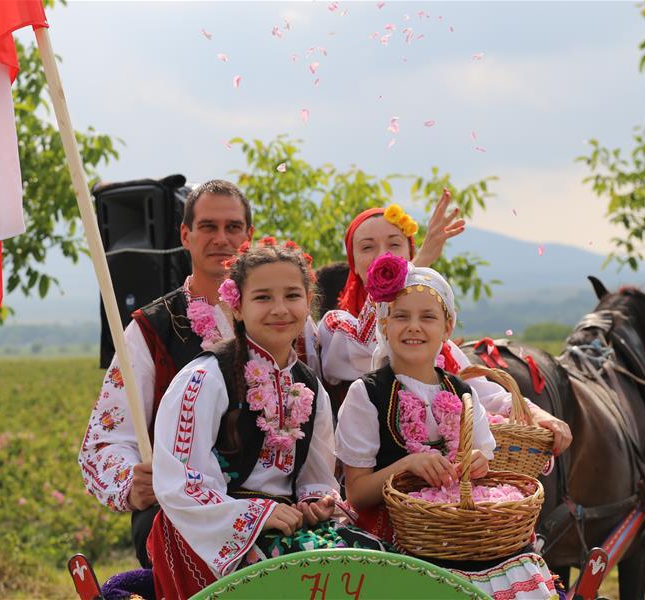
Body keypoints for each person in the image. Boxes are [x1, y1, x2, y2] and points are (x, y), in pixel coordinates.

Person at [147, 239, 390, 599]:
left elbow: (316, 477)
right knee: (307, 579)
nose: (279, 309)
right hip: (211, 533)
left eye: (292, 296)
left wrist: (315, 502)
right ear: (238, 306)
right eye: (262, 297)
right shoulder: (204, 379)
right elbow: (181, 483)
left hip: (285, 524)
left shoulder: (309, 385)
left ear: (308, 303)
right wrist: (256, 515)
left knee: (373, 561)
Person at [335, 256, 562, 599]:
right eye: (401, 316)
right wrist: (407, 465)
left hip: (459, 532)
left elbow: (483, 463)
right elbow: (357, 493)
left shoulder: (463, 392)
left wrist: (477, 462)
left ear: (447, 328)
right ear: (384, 326)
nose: (414, 327)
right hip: (394, 534)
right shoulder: (366, 394)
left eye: (428, 317)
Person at [78, 179, 253, 568]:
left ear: (249, 235)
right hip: (179, 509)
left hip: (269, 502)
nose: (221, 238)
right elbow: (104, 442)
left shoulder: (282, 319)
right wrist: (130, 481)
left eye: (232, 227)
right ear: (185, 235)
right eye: (208, 226)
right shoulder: (150, 329)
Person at [319, 198, 571, 454]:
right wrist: (418, 264)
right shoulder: (336, 325)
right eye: (367, 247)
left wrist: (537, 414)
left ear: (409, 253)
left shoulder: (435, 340)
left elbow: (482, 392)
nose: (383, 255)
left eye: (394, 244)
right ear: (353, 262)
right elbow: (371, 345)